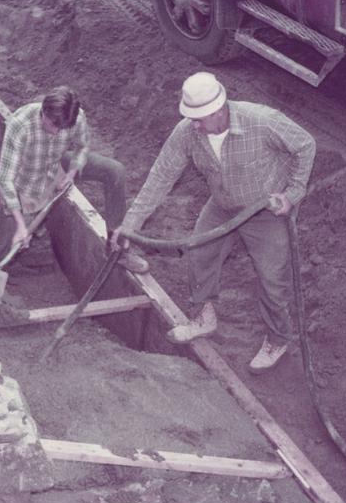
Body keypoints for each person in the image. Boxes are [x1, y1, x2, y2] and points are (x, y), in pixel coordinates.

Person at [112, 71, 315, 370]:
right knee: (199, 253)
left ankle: (277, 338)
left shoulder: (261, 121)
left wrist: (293, 193)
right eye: (190, 117)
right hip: (222, 205)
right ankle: (204, 316)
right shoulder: (187, 133)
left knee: (272, 279)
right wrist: (131, 224)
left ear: (219, 110)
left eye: (199, 118)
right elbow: (160, 177)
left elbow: (305, 144)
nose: (194, 124)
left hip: (265, 211)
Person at [0, 86, 149, 297]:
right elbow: (6, 179)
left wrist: (72, 172)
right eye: (53, 125)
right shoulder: (20, 125)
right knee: (5, 236)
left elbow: (82, 146)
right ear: (44, 113)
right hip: (25, 180)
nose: (57, 131)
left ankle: (117, 248)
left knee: (114, 171)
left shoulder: (75, 116)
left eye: (63, 127)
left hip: (56, 165)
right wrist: (22, 226)